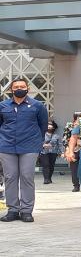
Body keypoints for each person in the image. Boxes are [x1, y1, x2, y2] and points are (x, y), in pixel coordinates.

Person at [0, 78, 48, 223]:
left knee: (27, 177)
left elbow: (43, 125)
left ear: (28, 88)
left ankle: (26, 210)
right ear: (11, 90)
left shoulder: (37, 105)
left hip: (29, 146)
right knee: (10, 177)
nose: (19, 88)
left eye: (22, 86)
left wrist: (37, 142)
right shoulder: (3, 105)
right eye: (16, 86)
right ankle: (13, 210)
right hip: (7, 146)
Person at [63, 111, 81, 192]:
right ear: (77, 118)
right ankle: (76, 185)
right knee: (74, 169)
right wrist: (68, 150)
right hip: (74, 150)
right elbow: (65, 139)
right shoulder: (70, 126)